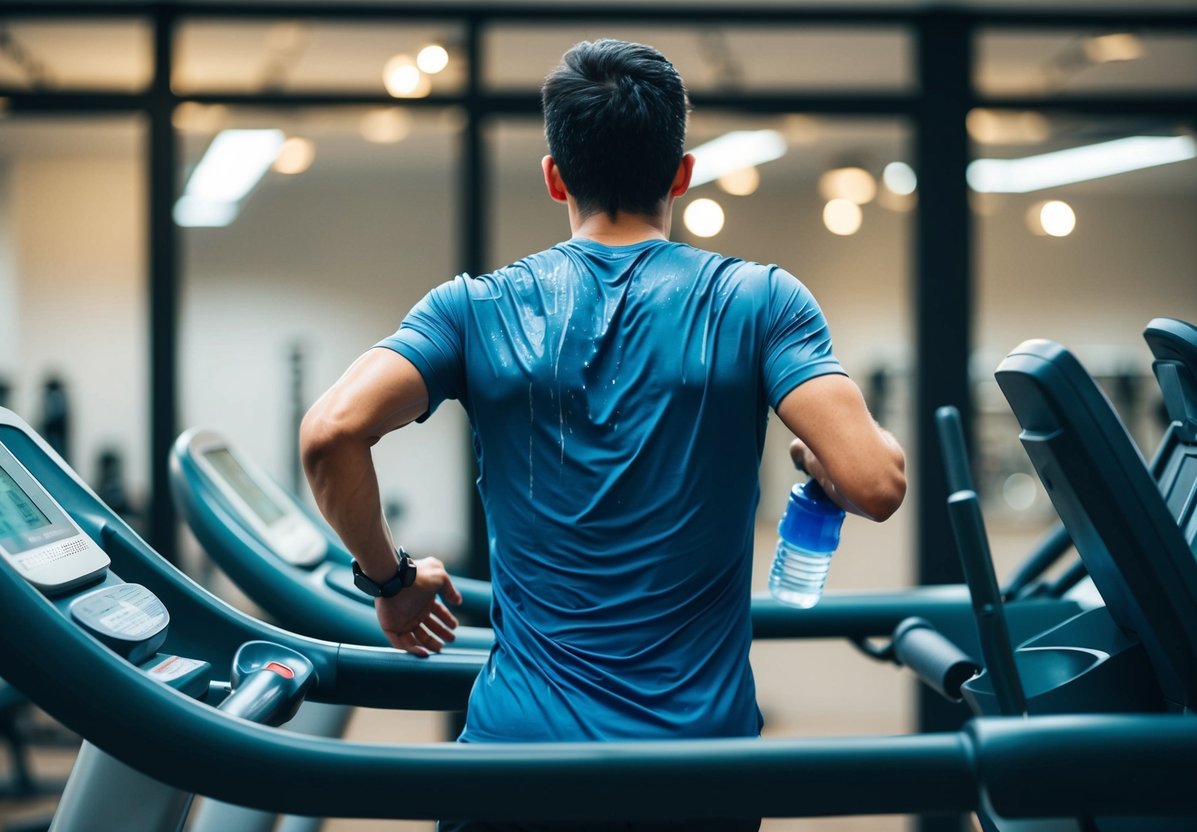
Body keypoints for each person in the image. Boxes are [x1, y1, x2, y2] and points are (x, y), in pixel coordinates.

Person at [300, 38, 906, 831]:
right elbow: (876, 482)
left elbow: (330, 435)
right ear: (680, 174)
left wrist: (391, 582)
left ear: (556, 175)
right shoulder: (760, 301)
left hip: (516, 765)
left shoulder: (474, 307)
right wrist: (820, 456)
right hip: (698, 770)